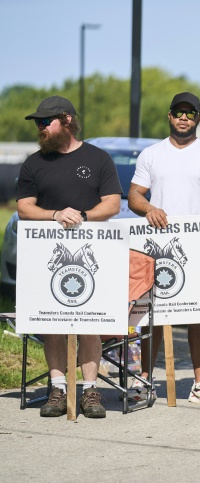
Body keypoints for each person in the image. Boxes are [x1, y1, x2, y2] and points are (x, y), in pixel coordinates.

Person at [17, 96, 122, 418]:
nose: (40, 127)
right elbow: (24, 207)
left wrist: (84, 217)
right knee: (52, 323)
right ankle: (58, 389)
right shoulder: (33, 163)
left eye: (45, 122)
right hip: (47, 257)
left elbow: (112, 203)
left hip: (91, 256)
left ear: (66, 120)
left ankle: (90, 390)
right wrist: (54, 215)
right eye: (37, 123)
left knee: (90, 322)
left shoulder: (98, 158)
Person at [128, 92, 200, 406]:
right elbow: (134, 196)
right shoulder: (151, 154)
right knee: (152, 315)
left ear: (198, 118)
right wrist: (149, 209)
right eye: (178, 112)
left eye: (190, 113)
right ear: (169, 116)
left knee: (198, 315)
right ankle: (145, 381)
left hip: (195, 245)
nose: (184, 118)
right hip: (156, 245)